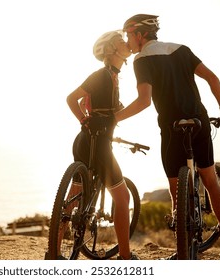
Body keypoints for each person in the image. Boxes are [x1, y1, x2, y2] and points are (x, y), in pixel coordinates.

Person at [115, 14, 220, 260]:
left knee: (176, 189)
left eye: (128, 35)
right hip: (199, 121)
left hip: (172, 128)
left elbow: (143, 101)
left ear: (139, 35)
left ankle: (182, 247)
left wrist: (115, 118)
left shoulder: (142, 60)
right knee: (211, 181)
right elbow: (212, 78)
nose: (128, 40)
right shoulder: (181, 49)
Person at [66, 30, 138, 260]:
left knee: (71, 200)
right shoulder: (101, 75)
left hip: (86, 142)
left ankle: (54, 252)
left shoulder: (113, 78)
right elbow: (71, 98)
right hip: (97, 144)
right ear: (111, 50)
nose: (125, 42)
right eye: (120, 41)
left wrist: (89, 123)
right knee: (123, 198)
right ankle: (125, 258)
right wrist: (85, 120)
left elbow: (103, 112)